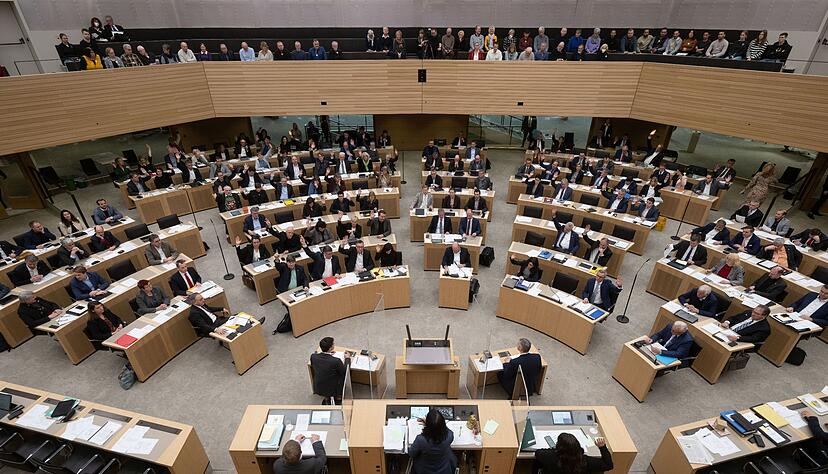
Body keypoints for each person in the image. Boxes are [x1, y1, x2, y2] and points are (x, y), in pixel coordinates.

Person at [535, 432, 613, 474]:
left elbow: (538, 453)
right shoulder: (586, 461)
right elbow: (608, 465)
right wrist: (602, 447)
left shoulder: (549, 456)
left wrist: (554, 450)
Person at [409, 409, 457, 474]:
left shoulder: (420, 440)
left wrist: (430, 423)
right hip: (444, 470)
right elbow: (445, 429)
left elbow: (412, 453)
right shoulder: (449, 436)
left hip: (424, 470)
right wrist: (435, 424)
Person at [309, 336, 348, 405]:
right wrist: (347, 359)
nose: (334, 344)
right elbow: (344, 371)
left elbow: (314, 365)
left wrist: (329, 354)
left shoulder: (313, 356)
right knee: (341, 375)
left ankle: (327, 399)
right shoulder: (336, 361)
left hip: (319, 385)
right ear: (330, 348)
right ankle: (338, 397)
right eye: (333, 344)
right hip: (332, 387)